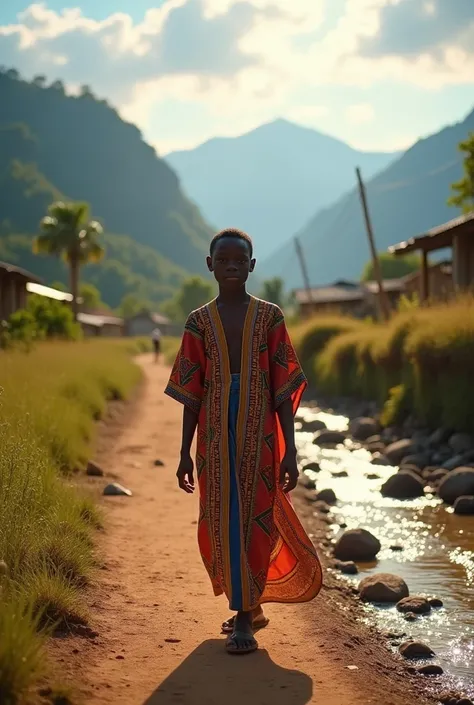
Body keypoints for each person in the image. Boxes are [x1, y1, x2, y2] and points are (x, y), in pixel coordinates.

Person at [164, 228, 322, 655]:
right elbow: (191, 392)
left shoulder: (270, 317)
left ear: (252, 266)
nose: (232, 266)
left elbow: (283, 389)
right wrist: (182, 451)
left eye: (240, 260)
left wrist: (291, 449)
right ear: (209, 264)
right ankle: (248, 605)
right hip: (213, 437)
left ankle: (243, 618)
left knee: (254, 517)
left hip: (261, 434)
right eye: (224, 259)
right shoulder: (198, 322)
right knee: (221, 518)